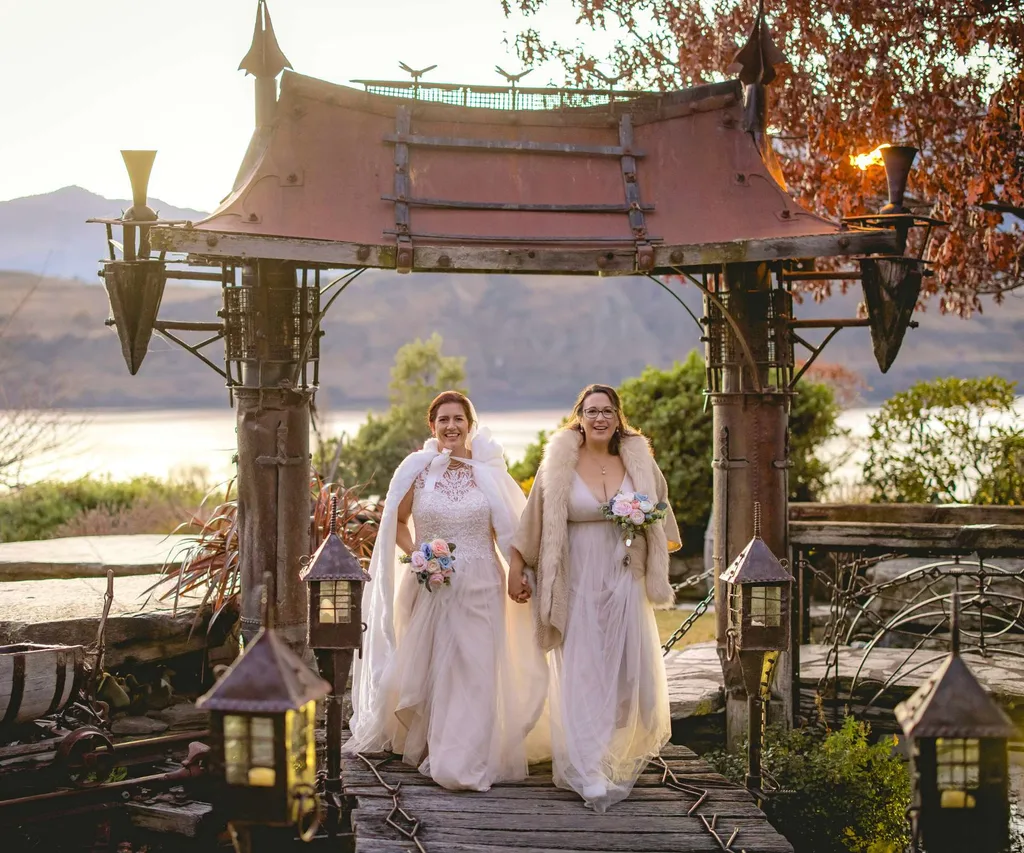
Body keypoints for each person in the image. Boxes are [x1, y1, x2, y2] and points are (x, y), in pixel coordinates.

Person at [346, 391, 548, 791]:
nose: (452, 426)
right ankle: (434, 744)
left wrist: (516, 572)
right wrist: (420, 555)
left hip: (482, 583)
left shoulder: (488, 474)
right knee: (436, 668)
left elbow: (510, 530)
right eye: (444, 420)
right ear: (432, 426)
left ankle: (466, 757)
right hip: (431, 585)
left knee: (475, 669)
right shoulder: (417, 471)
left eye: (459, 419)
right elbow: (397, 524)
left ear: (470, 425)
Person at [509, 383, 681, 812]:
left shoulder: (638, 461)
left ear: (618, 417)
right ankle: (585, 767)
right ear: (580, 417)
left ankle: (604, 754)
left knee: (622, 674)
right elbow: (532, 522)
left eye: (607, 411)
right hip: (576, 579)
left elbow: (662, 518)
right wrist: (517, 569)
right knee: (583, 670)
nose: (600, 418)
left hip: (624, 579)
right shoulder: (559, 465)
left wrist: (643, 524)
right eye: (591, 411)